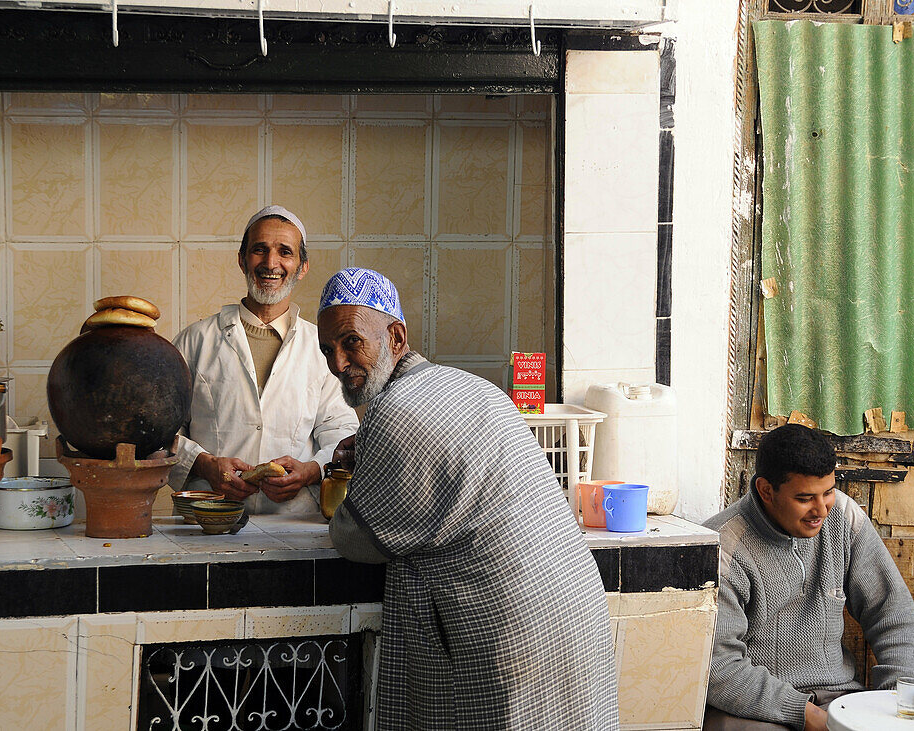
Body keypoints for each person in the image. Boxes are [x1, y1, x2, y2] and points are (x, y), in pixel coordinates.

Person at [316, 267, 619, 730]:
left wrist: (358, 477)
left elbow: (356, 539)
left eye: (351, 342)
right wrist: (373, 456)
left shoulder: (394, 410)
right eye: (328, 350)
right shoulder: (465, 384)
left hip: (514, 636)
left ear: (395, 336)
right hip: (577, 614)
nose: (338, 363)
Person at [703, 423, 914, 731]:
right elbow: (719, 668)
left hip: (840, 698)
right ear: (766, 491)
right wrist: (809, 716)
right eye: (804, 498)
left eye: (828, 492)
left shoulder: (844, 517)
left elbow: (893, 612)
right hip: (756, 713)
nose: (821, 510)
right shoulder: (722, 547)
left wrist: (898, 702)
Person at [168, 206, 358, 514]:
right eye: (260, 250)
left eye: (285, 252)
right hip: (207, 521)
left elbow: (343, 437)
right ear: (242, 259)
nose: (271, 263)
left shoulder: (321, 348)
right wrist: (205, 466)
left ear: (302, 266)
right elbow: (161, 433)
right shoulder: (195, 341)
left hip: (294, 524)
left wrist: (309, 471)